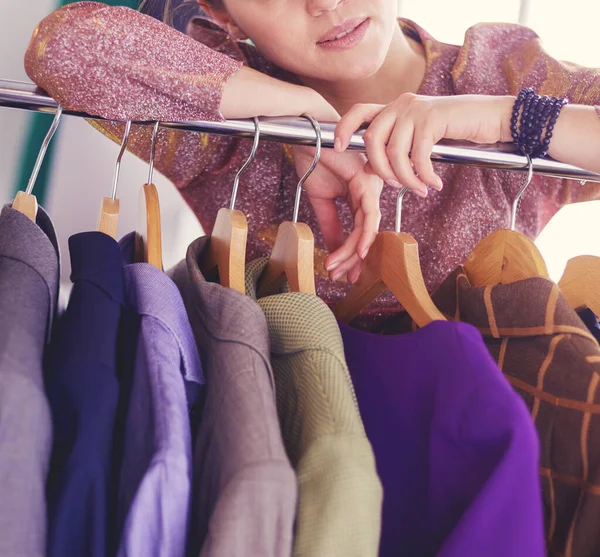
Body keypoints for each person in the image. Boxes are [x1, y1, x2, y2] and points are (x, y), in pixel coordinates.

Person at [25, 0, 600, 330]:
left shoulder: (502, 73)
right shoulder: (222, 111)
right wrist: (291, 110)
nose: (325, 2)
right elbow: (61, 49)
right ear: (223, 14)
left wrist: (508, 119)